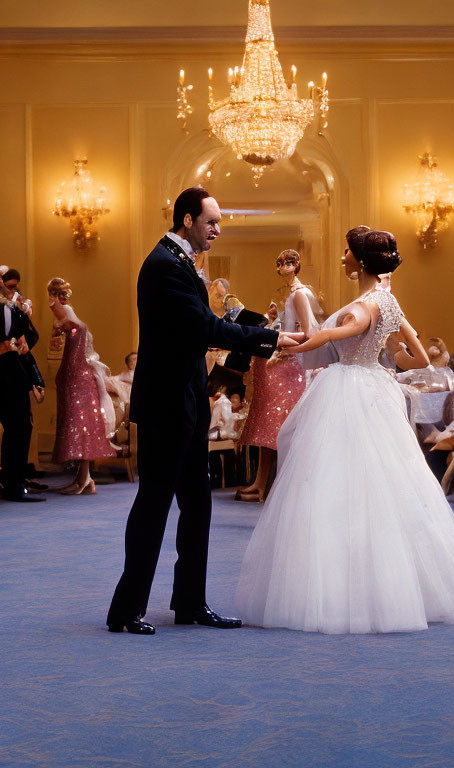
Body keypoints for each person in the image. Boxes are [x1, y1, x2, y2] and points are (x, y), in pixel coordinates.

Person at [235, 229, 454, 634]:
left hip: (349, 388)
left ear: (360, 261)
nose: (343, 258)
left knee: (335, 480)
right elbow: (420, 357)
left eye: (347, 253)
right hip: (376, 384)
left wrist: (291, 348)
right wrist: (389, 356)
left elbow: (333, 334)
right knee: (387, 479)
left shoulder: (363, 306)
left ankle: (343, 589)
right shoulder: (388, 301)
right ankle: (401, 583)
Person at [107, 186, 302, 635]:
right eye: (211, 221)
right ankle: (125, 610)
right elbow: (201, 326)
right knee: (154, 504)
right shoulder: (162, 266)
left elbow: (208, 325)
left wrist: (263, 330)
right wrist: (269, 339)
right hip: (165, 406)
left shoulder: (180, 264)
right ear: (187, 219)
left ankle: (190, 602)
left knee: (198, 505)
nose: (217, 229)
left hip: (188, 400)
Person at [236, 249, 318, 502]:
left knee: (280, 426)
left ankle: (278, 486)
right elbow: (294, 328)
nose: (282, 267)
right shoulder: (292, 295)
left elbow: (310, 333)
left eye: (288, 262)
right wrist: (273, 322)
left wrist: (276, 339)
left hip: (289, 366)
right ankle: (261, 482)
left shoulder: (301, 294)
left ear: (297, 265)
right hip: (279, 362)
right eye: (279, 262)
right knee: (267, 423)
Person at [48, 278, 116, 495]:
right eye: (58, 293)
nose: (63, 297)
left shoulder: (68, 314)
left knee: (82, 426)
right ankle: (83, 478)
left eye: (64, 293)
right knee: (79, 426)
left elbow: (79, 338)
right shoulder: (65, 317)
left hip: (80, 376)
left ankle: (84, 479)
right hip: (76, 375)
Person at [0, 272, 43, 503]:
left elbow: (27, 338)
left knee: (19, 428)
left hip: (12, 371)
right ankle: (12, 484)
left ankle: (13, 483)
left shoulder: (13, 307)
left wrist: (24, 314)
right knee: (17, 427)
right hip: (4, 370)